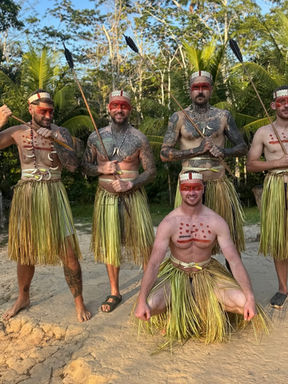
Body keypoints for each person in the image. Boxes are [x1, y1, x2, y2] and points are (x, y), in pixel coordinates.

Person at [135, 172, 268, 345]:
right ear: (180, 191)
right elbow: (153, 264)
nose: (192, 192)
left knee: (244, 303)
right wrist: (141, 299)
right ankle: (177, 311)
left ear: (203, 188)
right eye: (186, 188)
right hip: (177, 274)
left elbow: (234, 261)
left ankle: (205, 309)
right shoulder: (169, 223)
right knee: (150, 305)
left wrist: (250, 296)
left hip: (206, 272)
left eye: (196, 187)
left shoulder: (216, 221)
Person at [0, 90, 91, 322]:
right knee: (25, 251)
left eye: (51, 111)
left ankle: (79, 301)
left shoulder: (61, 132)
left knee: (68, 252)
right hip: (28, 193)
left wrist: (55, 140)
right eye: (43, 111)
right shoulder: (17, 132)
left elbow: (72, 166)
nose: (48, 115)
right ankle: (23, 297)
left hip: (54, 191)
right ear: (31, 109)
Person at [82, 90, 156, 313]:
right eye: (115, 105)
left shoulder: (138, 138)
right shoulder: (96, 137)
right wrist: (101, 168)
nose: (119, 109)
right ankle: (115, 292)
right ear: (108, 108)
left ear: (129, 109)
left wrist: (131, 184)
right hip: (106, 197)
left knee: (143, 243)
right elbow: (84, 167)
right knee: (110, 244)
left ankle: (148, 289)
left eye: (124, 105)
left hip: (133, 196)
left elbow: (151, 171)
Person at [160, 70, 247, 255]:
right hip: (189, 185)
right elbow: (164, 153)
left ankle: (230, 280)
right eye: (196, 87)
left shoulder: (223, 116)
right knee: (189, 240)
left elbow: (242, 147)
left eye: (204, 87)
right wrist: (196, 151)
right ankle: (191, 280)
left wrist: (224, 151)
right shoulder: (179, 117)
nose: (200, 91)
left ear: (211, 90)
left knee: (229, 239)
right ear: (190, 90)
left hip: (218, 183)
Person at [247, 85, 288, 309]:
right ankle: (283, 289)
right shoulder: (264, 132)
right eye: (281, 102)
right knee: (280, 241)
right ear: (274, 105)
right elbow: (251, 164)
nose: (286, 105)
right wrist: (276, 163)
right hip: (276, 187)